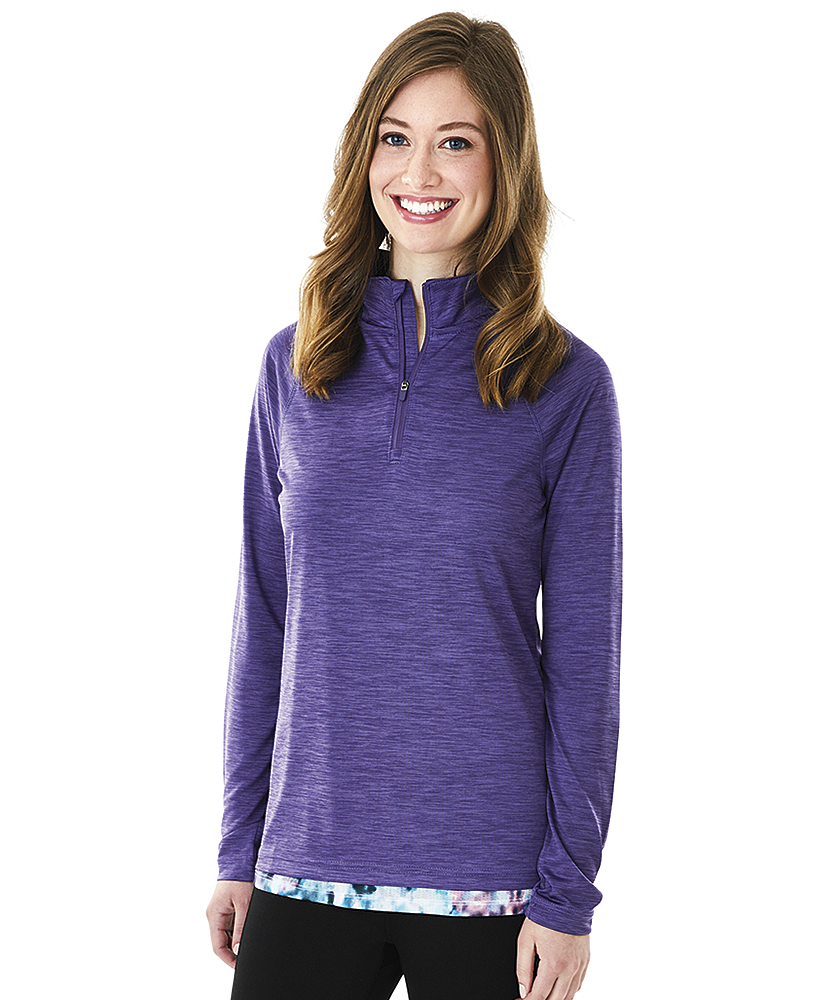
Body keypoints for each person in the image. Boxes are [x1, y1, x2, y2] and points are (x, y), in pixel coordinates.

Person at [206, 11, 622, 1000]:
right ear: (364, 154)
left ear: (505, 161)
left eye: (456, 142)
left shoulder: (565, 384)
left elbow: (585, 663)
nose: (419, 172)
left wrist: (569, 893)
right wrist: (237, 846)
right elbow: (264, 621)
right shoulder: (294, 365)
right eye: (395, 137)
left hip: (494, 885)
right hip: (304, 864)